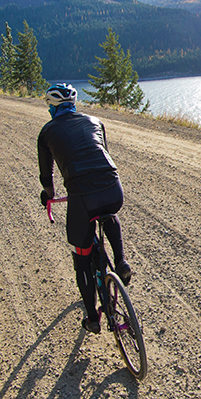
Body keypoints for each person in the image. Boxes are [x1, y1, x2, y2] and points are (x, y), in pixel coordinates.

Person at [38, 83, 132, 334]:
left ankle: (92, 318)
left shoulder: (47, 132)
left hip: (82, 198)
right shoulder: (95, 121)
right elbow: (104, 154)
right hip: (113, 188)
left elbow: (47, 178)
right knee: (108, 212)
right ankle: (121, 262)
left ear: (52, 107)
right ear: (73, 104)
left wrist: (48, 196)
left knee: (82, 260)